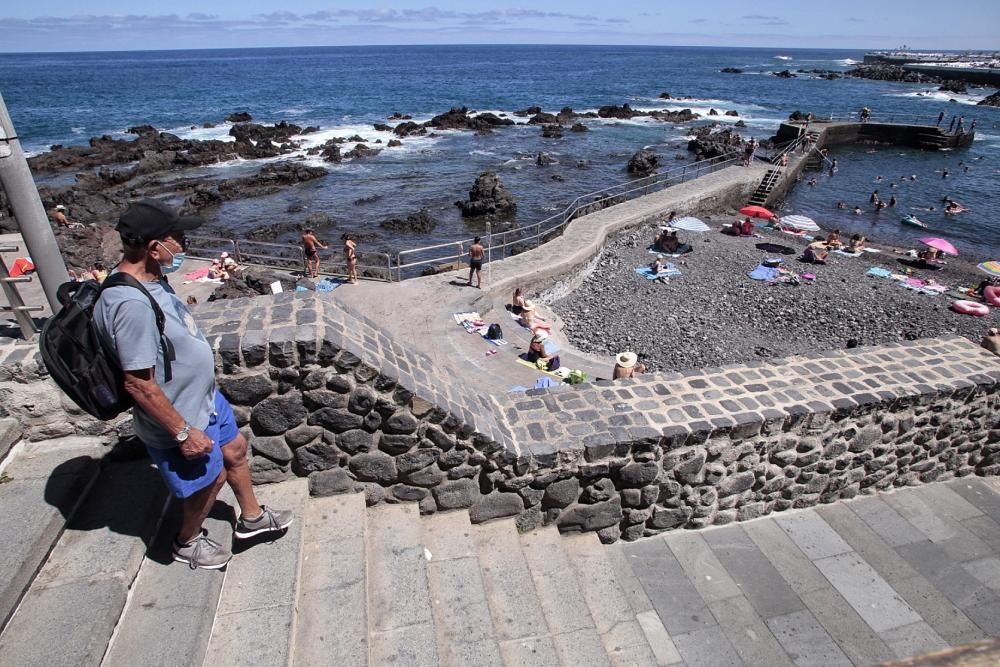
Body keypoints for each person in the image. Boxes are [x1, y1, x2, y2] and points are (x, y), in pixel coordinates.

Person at [94, 199, 292, 570]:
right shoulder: (129, 303)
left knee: (234, 449)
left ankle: (251, 518)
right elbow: (138, 384)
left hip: (202, 399)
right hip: (179, 416)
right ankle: (186, 541)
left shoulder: (152, 280)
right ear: (154, 247)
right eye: (178, 237)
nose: (184, 245)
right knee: (209, 478)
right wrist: (183, 433)